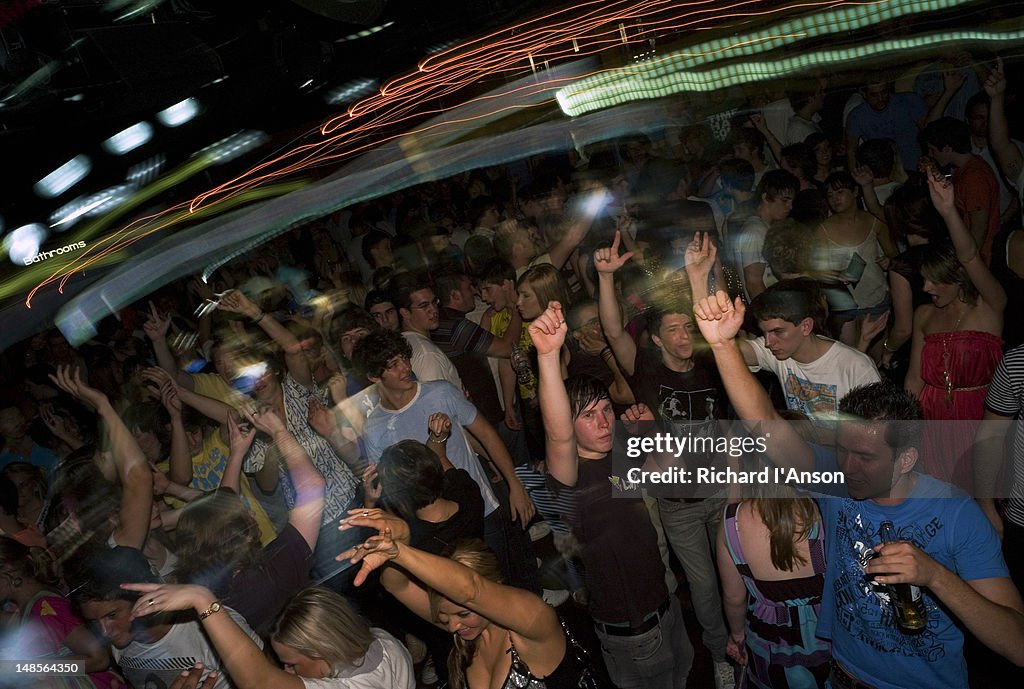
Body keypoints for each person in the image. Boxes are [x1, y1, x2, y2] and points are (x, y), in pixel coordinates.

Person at [692, 289, 1024, 688]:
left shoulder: (956, 513)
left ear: (905, 459)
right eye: (843, 450)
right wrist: (722, 344)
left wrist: (935, 577)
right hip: (841, 675)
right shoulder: (837, 482)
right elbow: (766, 424)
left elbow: (1016, 643)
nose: (847, 467)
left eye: (864, 457)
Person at [533, 301, 694, 689]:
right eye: (588, 415)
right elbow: (556, 434)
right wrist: (549, 356)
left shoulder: (621, 453)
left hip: (665, 607)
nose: (604, 421)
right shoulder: (570, 478)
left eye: (606, 409)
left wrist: (654, 430)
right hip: (633, 631)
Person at [353, 329, 538, 591]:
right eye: (393, 365)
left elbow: (486, 434)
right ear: (374, 376)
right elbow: (390, 489)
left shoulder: (440, 392)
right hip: (436, 529)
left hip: (482, 508)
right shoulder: (375, 427)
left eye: (405, 358)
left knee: (506, 583)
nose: (406, 367)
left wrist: (515, 485)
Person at [340, 515, 587, 689]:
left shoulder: (534, 623)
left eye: (462, 614)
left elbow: (470, 590)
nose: (452, 627)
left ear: (495, 587)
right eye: (444, 618)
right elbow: (397, 584)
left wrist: (400, 553)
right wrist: (402, 540)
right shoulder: (467, 629)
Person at [172, 407, 323, 635]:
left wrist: (236, 454)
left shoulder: (205, 587)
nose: (252, 514)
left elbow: (221, 516)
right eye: (246, 515)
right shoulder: (270, 576)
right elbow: (312, 487)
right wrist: (279, 430)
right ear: (237, 538)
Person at [905, 172, 1006, 490]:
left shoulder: (989, 308)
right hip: (933, 423)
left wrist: (948, 211)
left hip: (981, 420)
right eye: (923, 278)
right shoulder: (924, 315)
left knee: (982, 500)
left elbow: (971, 255)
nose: (926, 287)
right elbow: (912, 380)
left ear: (958, 278)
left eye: (935, 280)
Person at [123, 584, 413, 689]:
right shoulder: (384, 641)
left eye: (291, 664)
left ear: (322, 651)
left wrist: (202, 600)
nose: (285, 670)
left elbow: (258, 681)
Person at [70, 546, 262, 689]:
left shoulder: (211, 627)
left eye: (112, 615)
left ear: (142, 596)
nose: (105, 632)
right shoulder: (121, 644)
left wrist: (44, 667)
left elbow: (268, 681)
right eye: (94, 622)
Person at [717, 480, 831, 689]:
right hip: (826, 634)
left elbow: (734, 598)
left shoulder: (733, 522)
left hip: (770, 643)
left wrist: (737, 636)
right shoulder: (825, 510)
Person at [0, 538, 124, 689]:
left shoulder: (45, 607)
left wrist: (28, 667)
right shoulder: (33, 607)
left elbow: (98, 659)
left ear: (6, 577)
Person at [812, 171, 891, 346]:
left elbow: (894, 255)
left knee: (875, 358)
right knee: (852, 357)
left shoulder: (874, 222)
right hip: (844, 305)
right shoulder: (823, 230)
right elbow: (817, 271)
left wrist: (888, 262)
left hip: (876, 296)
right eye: (830, 195)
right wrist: (834, 275)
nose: (835, 199)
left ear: (855, 192)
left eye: (840, 192)